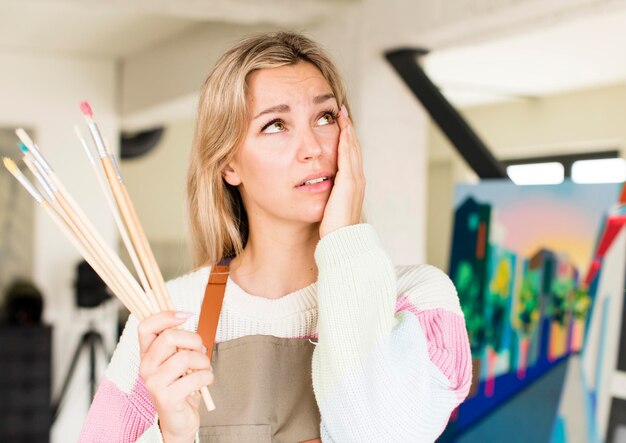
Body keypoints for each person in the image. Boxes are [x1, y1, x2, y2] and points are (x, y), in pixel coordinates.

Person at [79, 31, 471, 443]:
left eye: (324, 118)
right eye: (276, 125)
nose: (313, 148)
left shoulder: (418, 300)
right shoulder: (170, 316)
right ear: (229, 165)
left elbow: (378, 434)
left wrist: (344, 238)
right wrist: (174, 433)